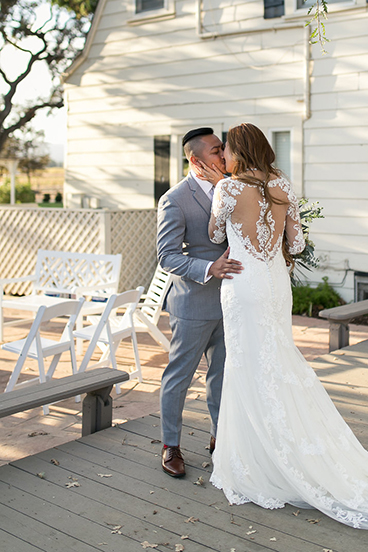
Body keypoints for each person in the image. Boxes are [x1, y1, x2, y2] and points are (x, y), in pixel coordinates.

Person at [198, 122, 368, 536]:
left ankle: (258, 462)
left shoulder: (226, 189)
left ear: (238, 152)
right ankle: (283, 451)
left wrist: (227, 199)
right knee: (278, 361)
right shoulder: (284, 186)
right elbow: (295, 245)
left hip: (243, 284)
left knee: (247, 366)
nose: (224, 158)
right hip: (275, 283)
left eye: (228, 151)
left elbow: (214, 233)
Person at [156, 127, 243, 478]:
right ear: (195, 159)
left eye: (223, 149)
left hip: (232, 301)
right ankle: (170, 446)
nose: (223, 155)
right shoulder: (175, 199)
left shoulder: (234, 186)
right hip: (192, 305)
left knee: (221, 377)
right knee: (179, 377)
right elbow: (167, 256)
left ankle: (219, 437)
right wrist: (209, 266)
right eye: (216, 150)